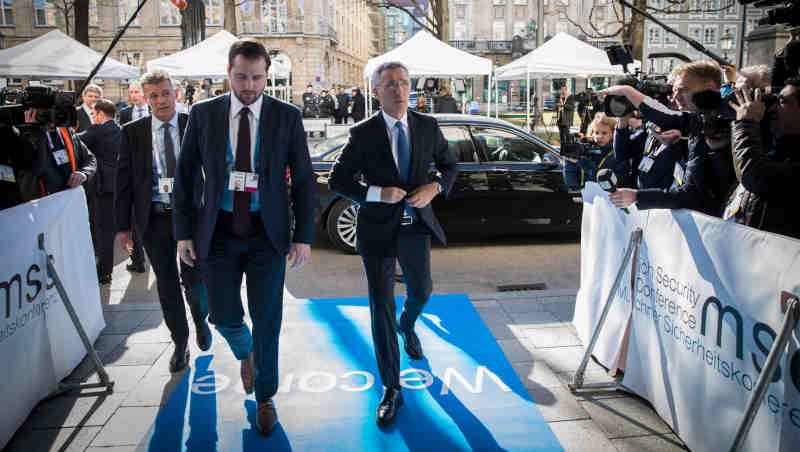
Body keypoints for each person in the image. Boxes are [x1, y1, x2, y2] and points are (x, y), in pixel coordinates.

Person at [173, 39, 316, 435]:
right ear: (228, 72)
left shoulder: (286, 116)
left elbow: (303, 180)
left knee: (268, 318)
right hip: (217, 230)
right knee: (220, 312)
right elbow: (184, 178)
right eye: (241, 77)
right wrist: (183, 232)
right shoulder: (203, 114)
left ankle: (265, 396)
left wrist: (303, 235)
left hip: (266, 233)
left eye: (256, 77)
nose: (249, 85)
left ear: (267, 74)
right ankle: (244, 350)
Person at [328, 61, 458, 428]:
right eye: (390, 85)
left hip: (416, 228)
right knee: (379, 306)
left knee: (422, 290)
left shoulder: (427, 126)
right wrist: (376, 193)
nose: (399, 91)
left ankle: (409, 324)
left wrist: (435, 187)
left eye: (403, 84)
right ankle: (391, 388)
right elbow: (337, 179)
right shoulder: (363, 132)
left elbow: (450, 167)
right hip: (378, 232)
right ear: (376, 91)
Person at [114, 71, 211, 374]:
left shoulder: (193, 125)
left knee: (195, 281)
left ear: (176, 94)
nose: (161, 100)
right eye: (154, 95)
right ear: (146, 98)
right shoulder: (132, 132)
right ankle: (180, 343)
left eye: (165, 93)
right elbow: (124, 181)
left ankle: (200, 319)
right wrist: (123, 226)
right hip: (153, 218)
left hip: (190, 220)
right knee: (167, 284)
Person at [604, 61, 736, 217]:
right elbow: (623, 153)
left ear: (709, 88)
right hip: (668, 214)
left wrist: (637, 196)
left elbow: (692, 194)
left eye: (683, 90)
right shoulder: (689, 124)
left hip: (704, 220)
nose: (674, 97)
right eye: (673, 90)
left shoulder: (715, 124)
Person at [726, 80, 800, 239]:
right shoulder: (776, 147)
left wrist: (745, 123)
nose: (771, 109)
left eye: (782, 102)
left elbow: (755, 175)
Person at [78, 99, 121, 285]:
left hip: (102, 187)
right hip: (119, 186)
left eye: (94, 114)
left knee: (103, 230)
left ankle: (104, 272)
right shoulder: (121, 130)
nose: (93, 118)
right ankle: (108, 268)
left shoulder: (96, 130)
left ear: (101, 114)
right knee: (111, 229)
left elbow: (74, 140)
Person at [614, 113, 686, 191]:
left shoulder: (683, 143)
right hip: (638, 196)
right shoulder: (649, 133)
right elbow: (621, 154)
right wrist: (622, 122)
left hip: (663, 200)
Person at [563, 113, 631, 189]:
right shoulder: (586, 151)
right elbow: (571, 183)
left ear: (613, 134)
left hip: (610, 198)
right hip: (586, 197)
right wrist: (570, 161)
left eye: (604, 133)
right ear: (592, 133)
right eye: (596, 132)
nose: (599, 137)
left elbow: (609, 183)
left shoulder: (618, 154)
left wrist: (583, 162)